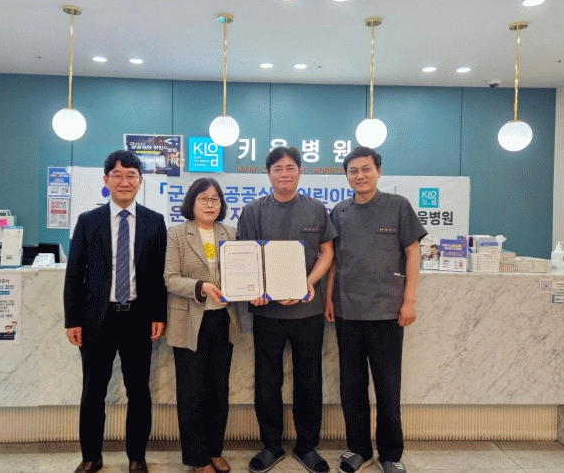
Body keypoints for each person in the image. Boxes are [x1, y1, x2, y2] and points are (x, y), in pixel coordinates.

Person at [324, 146, 427, 473]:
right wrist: (329, 298)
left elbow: (413, 253)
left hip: (386, 313)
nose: (360, 176)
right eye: (353, 171)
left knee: (387, 387)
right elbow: (333, 259)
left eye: (366, 169)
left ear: (378, 171)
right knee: (351, 388)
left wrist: (409, 299)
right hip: (347, 312)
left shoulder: (398, 206)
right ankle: (359, 450)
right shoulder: (339, 211)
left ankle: (390, 455)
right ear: (346, 175)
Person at [64, 150, 167, 473]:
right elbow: (74, 274)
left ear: (140, 181)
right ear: (106, 180)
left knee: (139, 391)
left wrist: (159, 315)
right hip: (97, 319)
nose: (124, 182)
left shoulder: (154, 222)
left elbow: (159, 276)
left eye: (131, 176)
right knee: (93, 391)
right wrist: (73, 320)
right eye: (118, 176)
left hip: (138, 318)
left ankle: (137, 456)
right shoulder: (88, 221)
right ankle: (91, 456)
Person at [237, 146, 336, 473]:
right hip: (268, 312)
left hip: (308, 311)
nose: (284, 173)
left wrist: (307, 282)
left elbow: (327, 251)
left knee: (310, 379)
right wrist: (260, 288)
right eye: (277, 168)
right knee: (267, 381)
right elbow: (246, 256)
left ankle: (308, 446)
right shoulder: (254, 211)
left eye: (290, 167)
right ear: (268, 174)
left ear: (299, 171)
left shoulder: (316, 209)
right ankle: (271, 446)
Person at [164, 177, 242, 473]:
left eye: (215, 199)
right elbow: (170, 279)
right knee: (192, 394)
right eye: (203, 199)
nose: (210, 204)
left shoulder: (229, 232)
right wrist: (201, 286)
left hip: (223, 320)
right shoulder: (177, 234)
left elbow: (242, 271)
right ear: (192, 202)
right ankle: (198, 458)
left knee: (219, 391)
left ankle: (215, 450)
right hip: (189, 322)